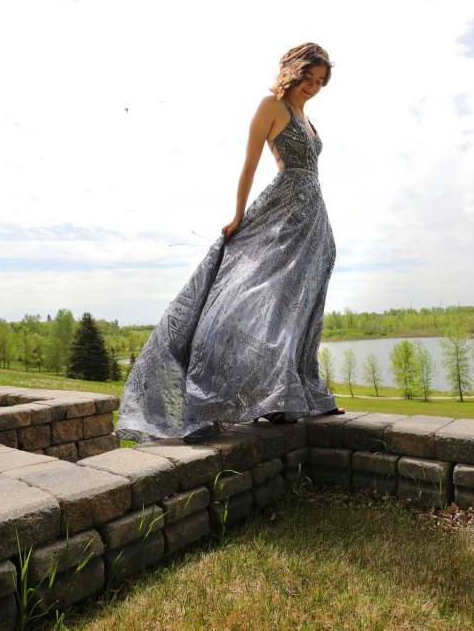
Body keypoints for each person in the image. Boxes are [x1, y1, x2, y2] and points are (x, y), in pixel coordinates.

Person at [116, 42, 344, 444]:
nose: (313, 86)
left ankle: (298, 394)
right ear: (292, 71)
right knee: (260, 298)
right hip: (283, 210)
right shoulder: (271, 107)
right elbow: (249, 165)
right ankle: (233, 390)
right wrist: (238, 214)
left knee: (304, 301)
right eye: (308, 77)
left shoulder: (307, 118)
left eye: (321, 82)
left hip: (314, 217)